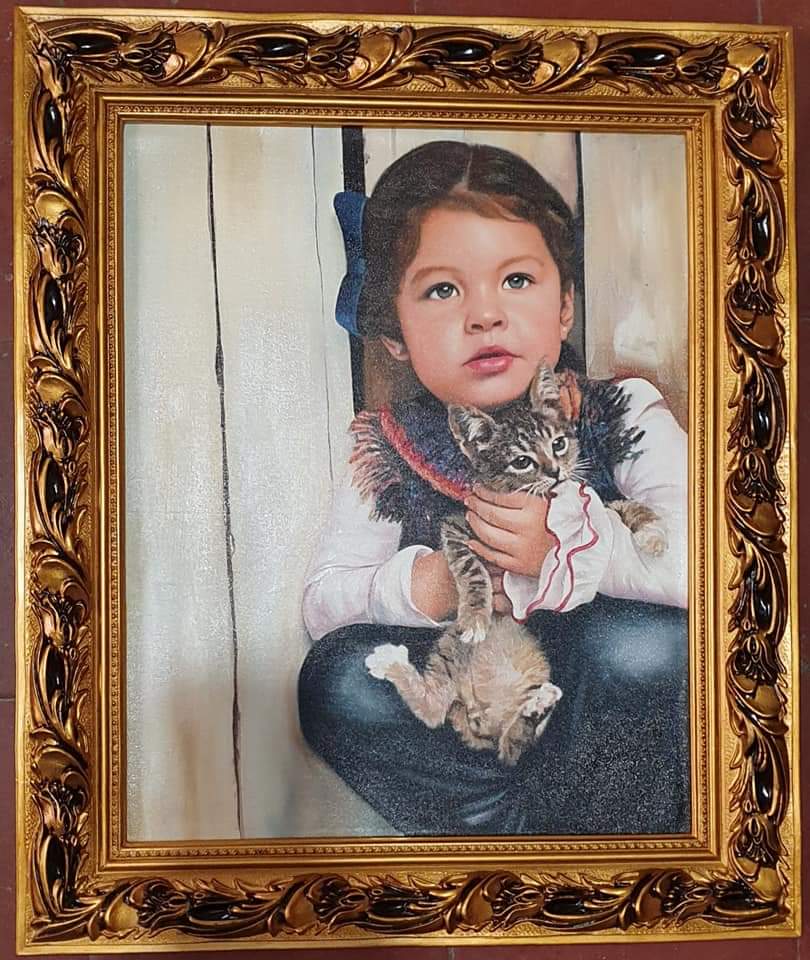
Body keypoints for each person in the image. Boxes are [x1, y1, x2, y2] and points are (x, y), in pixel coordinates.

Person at [298, 141, 689, 836]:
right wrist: (430, 586)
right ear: (394, 334)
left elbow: (712, 563)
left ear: (564, 306)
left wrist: (563, 554)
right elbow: (325, 602)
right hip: (479, 702)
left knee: (646, 651)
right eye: (442, 290)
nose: (484, 314)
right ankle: (516, 844)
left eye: (516, 280)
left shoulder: (619, 412)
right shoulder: (389, 445)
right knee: (338, 679)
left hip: (598, 712)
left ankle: (568, 843)